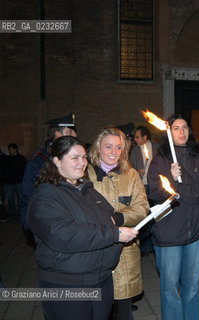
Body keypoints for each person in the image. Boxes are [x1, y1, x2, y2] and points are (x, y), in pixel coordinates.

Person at [27, 136, 138, 320]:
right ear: (57, 161)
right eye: (75, 158)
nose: (82, 163)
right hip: (68, 284)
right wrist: (114, 234)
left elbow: (108, 218)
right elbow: (64, 234)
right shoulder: (46, 195)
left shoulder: (87, 189)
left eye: (84, 157)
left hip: (100, 279)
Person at [147, 114, 199, 320]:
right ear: (169, 132)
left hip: (196, 232)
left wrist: (178, 186)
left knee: (193, 286)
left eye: (185, 127)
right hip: (168, 234)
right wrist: (170, 178)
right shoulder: (160, 159)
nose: (182, 132)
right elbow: (155, 192)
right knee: (170, 289)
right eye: (176, 128)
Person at [87, 128, 149, 320]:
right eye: (108, 146)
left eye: (118, 147)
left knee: (124, 310)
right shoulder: (84, 174)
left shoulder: (131, 175)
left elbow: (142, 207)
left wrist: (118, 218)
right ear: (98, 148)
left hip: (124, 253)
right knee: (98, 311)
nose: (114, 152)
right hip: (94, 251)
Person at [20, 112, 77, 230]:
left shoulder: (76, 159)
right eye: (69, 131)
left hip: (73, 223)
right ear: (57, 134)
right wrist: (31, 226)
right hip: (48, 224)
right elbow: (28, 197)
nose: (74, 135)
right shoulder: (38, 162)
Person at [129, 125, 159, 256]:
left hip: (156, 186)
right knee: (145, 217)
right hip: (143, 187)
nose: (135, 140)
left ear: (145, 137)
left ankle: (156, 243)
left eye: (137, 137)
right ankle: (145, 246)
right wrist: (137, 171)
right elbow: (130, 168)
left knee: (157, 216)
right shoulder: (135, 151)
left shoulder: (157, 148)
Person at [4, 143, 27, 217]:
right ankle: (12, 212)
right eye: (9, 149)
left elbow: (25, 170)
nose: (9, 151)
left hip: (19, 182)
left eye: (11, 149)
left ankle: (21, 212)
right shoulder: (7, 159)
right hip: (9, 182)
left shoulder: (21, 159)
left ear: (15, 149)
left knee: (20, 197)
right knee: (10, 198)